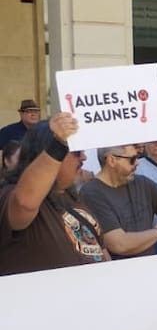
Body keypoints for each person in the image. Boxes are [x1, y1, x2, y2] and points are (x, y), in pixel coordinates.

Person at [0, 114, 109, 274]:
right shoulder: (11, 194)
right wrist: (58, 144)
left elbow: (100, 250)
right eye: (76, 152)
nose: (84, 158)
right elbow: (24, 203)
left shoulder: (72, 197)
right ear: (45, 152)